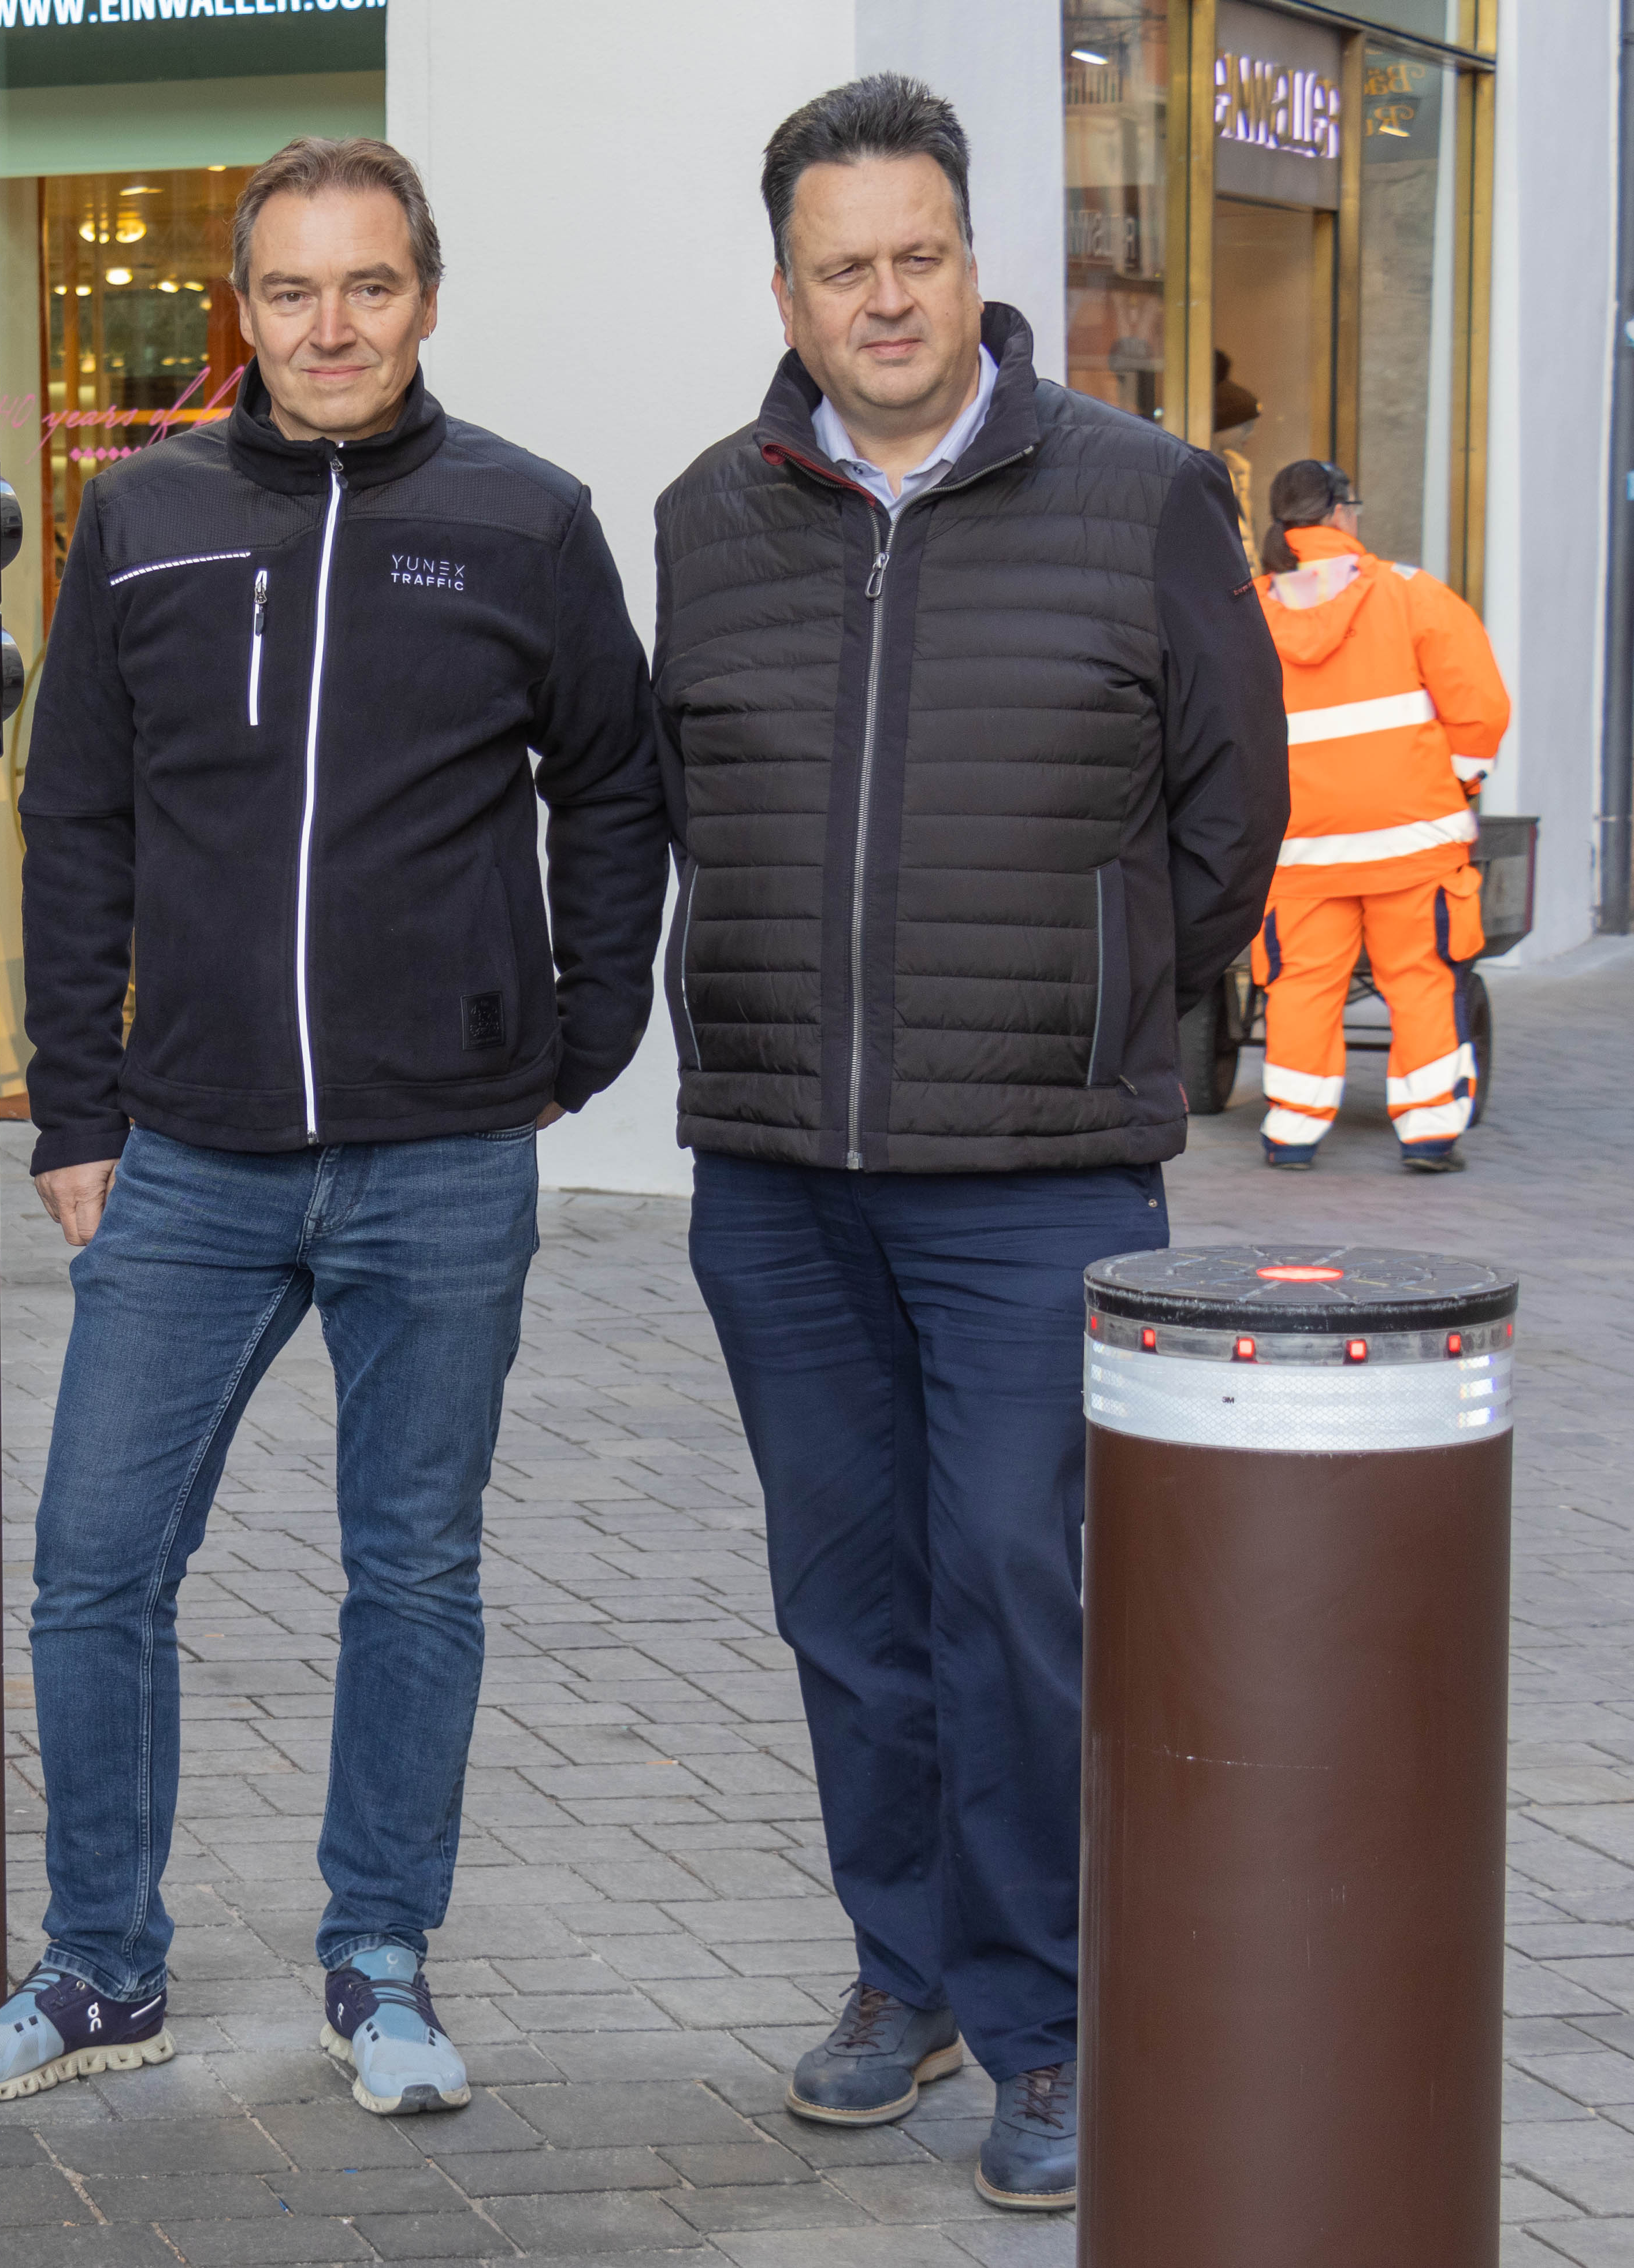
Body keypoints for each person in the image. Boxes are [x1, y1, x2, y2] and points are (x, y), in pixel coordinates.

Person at [0, 136, 670, 2117]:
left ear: (423, 295)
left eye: (364, 287)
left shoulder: (523, 519)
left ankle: (377, 1961)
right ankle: (99, 1967)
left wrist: (575, 1031)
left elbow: (610, 784)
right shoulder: (144, 517)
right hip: (188, 1152)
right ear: (235, 306)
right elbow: (67, 811)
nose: (325, 327)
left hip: (439, 1155)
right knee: (91, 1560)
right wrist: (67, 1097)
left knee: (408, 1566)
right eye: (286, 290)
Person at [651, 77, 1286, 2213]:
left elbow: (1230, 817)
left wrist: (1109, 1006)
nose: (885, 294)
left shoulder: (1140, 493)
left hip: (1032, 1178)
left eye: (916, 253)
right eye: (843, 265)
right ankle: (895, 1969)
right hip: (776, 1174)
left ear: (972, 261)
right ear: (788, 289)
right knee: (846, 1600)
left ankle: (1044, 2017)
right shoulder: (706, 515)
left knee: (1014, 1593)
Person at [1248, 457, 1510, 1171]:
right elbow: (1479, 704)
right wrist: (1458, 784)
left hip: (1302, 847)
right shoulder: (1410, 594)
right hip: (1413, 838)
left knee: (1302, 983)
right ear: (1338, 513)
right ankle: (1428, 1131)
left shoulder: (1252, 609)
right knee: (1422, 978)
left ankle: (1293, 1130)